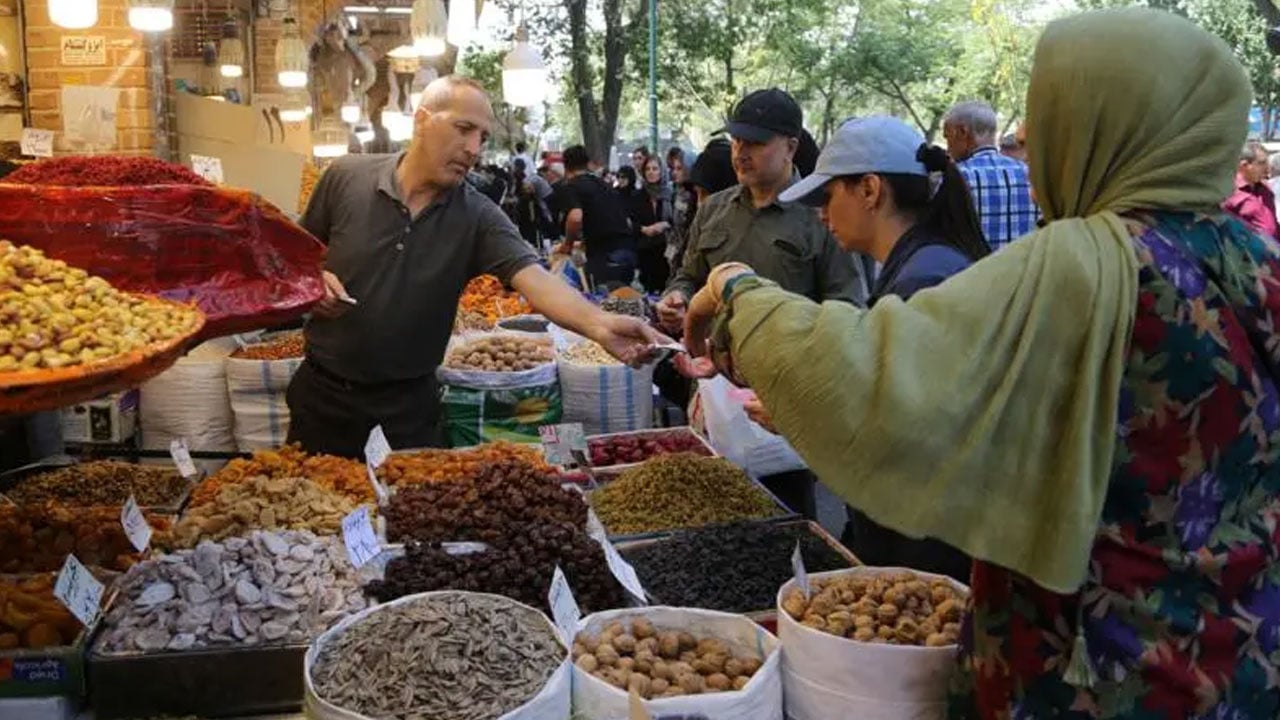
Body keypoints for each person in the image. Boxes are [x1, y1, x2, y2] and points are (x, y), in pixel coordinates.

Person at [682, 9, 1280, 717]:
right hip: (1242, 656)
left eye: (1045, 121)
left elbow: (868, 378)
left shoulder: (1084, 267)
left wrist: (736, 289)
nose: (1033, 148)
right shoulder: (1256, 261)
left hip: (1094, 670)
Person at [290, 77, 666, 458]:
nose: (473, 149)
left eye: (482, 138)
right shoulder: (346, 177)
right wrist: (312, 282)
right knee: (312, 512)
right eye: (464, 129)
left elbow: (534, 279)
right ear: (422, 120)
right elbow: (293, 260)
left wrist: (600, 325)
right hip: (323, 398)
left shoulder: (478, 215)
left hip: (407, 409)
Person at [774, 115, 991, 581]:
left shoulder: (924, 282)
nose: (821, 214)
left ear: (870, 190)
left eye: (828, 197)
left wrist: (803, 414)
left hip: (933, 556)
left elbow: (908, 437)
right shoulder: (921, 265)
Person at [659, 88, 868, 519]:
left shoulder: (821, 217)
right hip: (714, 386)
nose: (741, 153)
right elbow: (688, 274)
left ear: (790, 146)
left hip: (784, 392)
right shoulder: (714, 209)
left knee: (788, 515)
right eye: (737, 141)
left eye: (755, 143)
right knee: (714, 511)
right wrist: (676, 297)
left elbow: (848, 308)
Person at [943, 100, 1037, 250]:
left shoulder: (953, 179)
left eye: (947, 137)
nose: (948, 148)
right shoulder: (1032, 176)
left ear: (962, 132)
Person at [559, 144, 639, 289]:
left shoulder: (572, 186)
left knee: (600, 301)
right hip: (628, 252)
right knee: (623, 303)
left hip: (605, 257)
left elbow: (575, 217)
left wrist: (568, 244)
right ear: (587, 163)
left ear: (566, 167)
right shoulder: (603, 184)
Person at [629, 155, 674, 293]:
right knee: (648, 288)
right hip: (645, 249)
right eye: (647, 169)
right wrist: (644, 229)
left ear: (661, 171)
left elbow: (678, 221)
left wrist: (664, 225)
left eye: (655, 168)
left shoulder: (671, 194)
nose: (651, 172)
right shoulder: (637, 195)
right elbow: (629, 222)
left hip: (667, 249)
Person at [1223, 140, 1278, 239]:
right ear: (1244, 165)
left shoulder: (1265, 189)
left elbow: (1272, 223)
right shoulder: (1228, 192)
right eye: (1261, 163)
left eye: (1267, 162)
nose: (1267, 168)